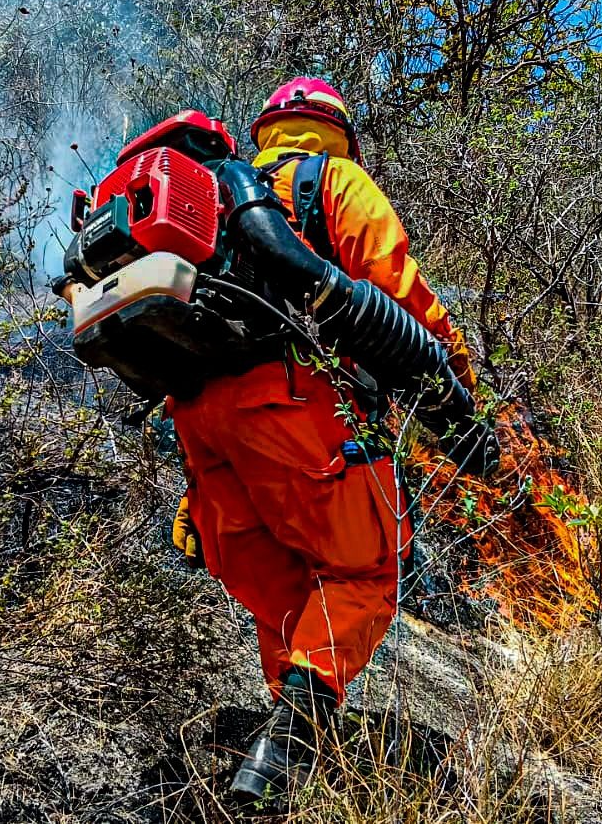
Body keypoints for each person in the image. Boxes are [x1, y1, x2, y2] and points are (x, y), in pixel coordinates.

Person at [167, 77, 482, 801]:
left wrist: (193, 486)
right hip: (291, 400)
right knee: (366, 569)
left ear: (263, 130)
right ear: (339, 132)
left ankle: (280, 770)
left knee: (287, 589)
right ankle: (288, 746)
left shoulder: (209, 195)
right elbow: (396, 290)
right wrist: (460, 388)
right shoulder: (328, 180)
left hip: (199, 425)